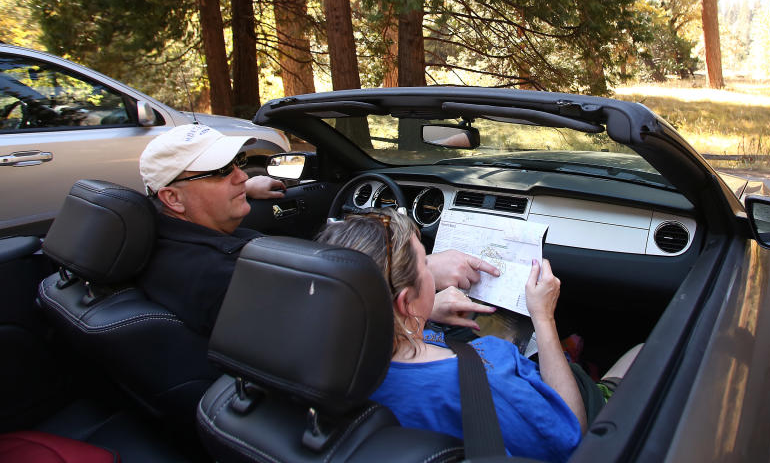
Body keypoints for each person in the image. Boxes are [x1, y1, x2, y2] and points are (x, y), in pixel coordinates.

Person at [318, 210, 641, 463]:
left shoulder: (319, 367)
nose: (433, 270)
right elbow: (574, 435)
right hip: (568, 403)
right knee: (640, 351)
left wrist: (424, 313)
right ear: (404, 303)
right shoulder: (488, 378)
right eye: (425, 264)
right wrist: (544, 317)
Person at [136, 123, 497, 336]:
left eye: (238, 164)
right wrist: (421, 283)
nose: (241, 175)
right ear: (172, 197)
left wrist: (246, 188)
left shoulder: (168, 231)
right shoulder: (212, 275)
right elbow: (324, 324)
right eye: (220, 172)